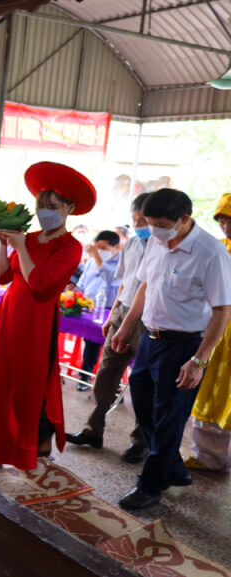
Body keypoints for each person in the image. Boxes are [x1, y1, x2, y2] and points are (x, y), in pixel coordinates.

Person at [0, 162, 96, 474]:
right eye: (41, 204)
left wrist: (20, 246)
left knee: (23, 388)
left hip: (36, 323)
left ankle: (20, 448)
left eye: (52, 206)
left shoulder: (71, 246)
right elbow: (3, 277)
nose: (44, 211)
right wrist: (3, 245)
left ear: (69, 209)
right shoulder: (28, 237)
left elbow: (39, 285)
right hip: (8, 316)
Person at [112, 188, 231, 510]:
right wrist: (125, 327)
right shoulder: (156, 243)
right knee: (143, 402)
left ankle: (151, 485)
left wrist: (198, 360)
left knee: (169, 417)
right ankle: (173, 466)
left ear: (184, 220)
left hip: (184, 345)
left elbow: (222, 311)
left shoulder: (211, 253)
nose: (155, 231)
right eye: (150, 224)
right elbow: (145, 287)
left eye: (161, 224)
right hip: (151, 339)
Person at [66, 193, 151, 461]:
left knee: (142, 383)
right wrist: (113, 316)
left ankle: (141, 440)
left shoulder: (165, 248)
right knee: (104, 375)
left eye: (144, 220)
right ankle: (93, 430)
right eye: (135, 219)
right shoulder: (132, 245)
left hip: (149, 319)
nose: (139, 225)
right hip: (122, 313)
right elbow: (124, 284)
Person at [183, 194, 231, 471]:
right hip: (215, 331)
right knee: (209, 391)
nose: (225, 225)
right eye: (222, 219)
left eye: (230, 219)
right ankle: (208, 456)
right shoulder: (218, 249)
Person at [74, 230, 122, 391]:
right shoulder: (91, 261)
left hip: (110, 310)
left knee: (111, 347)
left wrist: (97, 256)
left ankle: (111, 384)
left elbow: (111, 280)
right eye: (97, 246)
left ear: (116, 247)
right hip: (90, 307)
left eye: (104, 247)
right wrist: (73, 292)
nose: (99, 249)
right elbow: (82, 281)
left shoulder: (121, 263)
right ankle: (85, 376)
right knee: (91, 343)